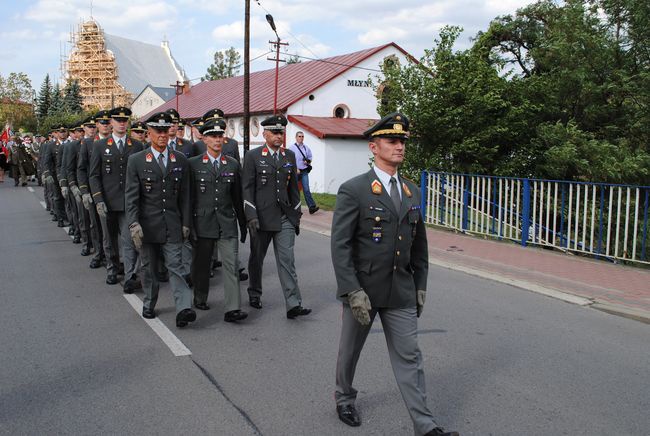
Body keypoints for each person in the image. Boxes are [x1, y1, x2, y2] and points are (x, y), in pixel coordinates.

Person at [330, 113, 458, 436]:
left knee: (410, 358)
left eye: (402, 141)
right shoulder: (354, 190)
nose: (400, 146)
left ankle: (425, 427)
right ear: (374, 147)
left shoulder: (412, 192)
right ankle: (344, 397)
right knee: (350, 351)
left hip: (400, 289)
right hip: (364, 289)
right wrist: (351, 289)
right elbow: (341, 246)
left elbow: (420, 247)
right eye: (392, 140)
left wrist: (420, 285)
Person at [125, 111, 196, 328]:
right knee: (149, 268)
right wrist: (134, 223)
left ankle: (184, 308)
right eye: (158, 131)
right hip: (148, 226)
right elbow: (131, 196)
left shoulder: (180, 160)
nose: (163, 135)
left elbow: (185, 196)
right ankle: (149, 301)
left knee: (176, 266)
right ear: (149, 133)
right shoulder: (137, 160)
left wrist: (186, 223)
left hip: (172, 224)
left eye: (166, 130)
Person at [242, 114, 311, 319]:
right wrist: (250, 215)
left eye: (281, 132)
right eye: (274, 132)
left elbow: (293, 190)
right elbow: (247, 189)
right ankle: (255, 292)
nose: (279, 136)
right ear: (265, 134)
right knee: (257, 258)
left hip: (284, 218)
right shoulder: (253, 156)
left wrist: (296, 215)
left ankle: (293, 304)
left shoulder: (289, 156)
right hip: (261, 219)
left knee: (287, 261)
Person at [188, 118, 248, 322]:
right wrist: (188, 225)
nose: (217, 139)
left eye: (220, 135)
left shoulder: (231, 164)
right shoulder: (193, 164)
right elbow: (189, 199)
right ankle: (200, 297)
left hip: (226, 222)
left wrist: (243, 223)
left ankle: (232, 308)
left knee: (231, 265)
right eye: (212, 136)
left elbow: (238, 197)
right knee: (202, 265)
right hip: (202, 223)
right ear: (204, 139)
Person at [89, 107, 143, 291]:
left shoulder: (136, 146)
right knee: (109, 238)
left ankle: (130, 276)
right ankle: (112, 269)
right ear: (111, 122)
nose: (121, 123)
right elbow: (94, 175)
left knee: (129, 240)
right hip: (108, 201)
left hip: (128, 202)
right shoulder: (100, 146)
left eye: (124, 120)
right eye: (117, 120)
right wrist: (98, 199)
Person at [78, 112, 107, 269]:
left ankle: (113, 257)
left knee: (111, 228)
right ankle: (98, 253)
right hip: (94, 191)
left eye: (108, 122)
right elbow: (81, 169)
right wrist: (84, 191)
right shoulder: (88, 144)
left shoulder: (115, 142)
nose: (106, 125)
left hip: (112, 191)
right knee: (95, 224)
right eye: (103, 122)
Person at [42, 125, 69, 227]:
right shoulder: (51, 145)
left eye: (64, 131)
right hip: (56, 176)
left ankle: (69, 219)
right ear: (56, 133)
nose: (62, 133)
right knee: (58, 197)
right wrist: (47, 174)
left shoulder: (71, 144)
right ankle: (60, 218)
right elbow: (47, 162)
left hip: (68, 175)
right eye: (60, 132)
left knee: (69, 199)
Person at [289, 131, 319, 214]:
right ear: (296, 137)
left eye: (302, 136)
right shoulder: (292, 148)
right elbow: (288, 160)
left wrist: (308, 162)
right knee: (295, 190)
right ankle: (295, 208)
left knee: (306, 189)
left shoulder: (306, 148)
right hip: (296, 171)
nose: (301, 138)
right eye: (299, 136)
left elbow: (310, 158)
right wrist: (295, 168)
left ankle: (311, 207)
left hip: (304, 171)